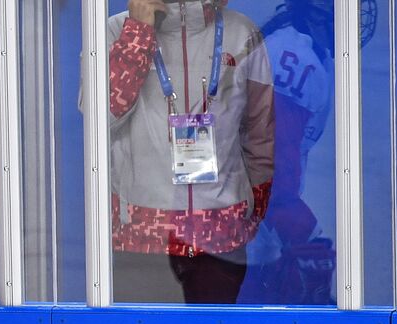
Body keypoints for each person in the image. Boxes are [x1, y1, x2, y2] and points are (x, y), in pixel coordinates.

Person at [106, 0, 274, 305]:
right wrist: (138, 32)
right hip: (141, 240)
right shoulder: (114, 31)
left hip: (221, 236)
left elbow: (259, 135)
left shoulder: (242, 33)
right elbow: (102, 115)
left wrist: (249, 212)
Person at [244, 0, 375, 305]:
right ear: (317, 14)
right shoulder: (295, 59)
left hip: (252, 221)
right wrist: (301, 230)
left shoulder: (300, 46)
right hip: (243, 227)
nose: (354, 20)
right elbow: (271, 166)